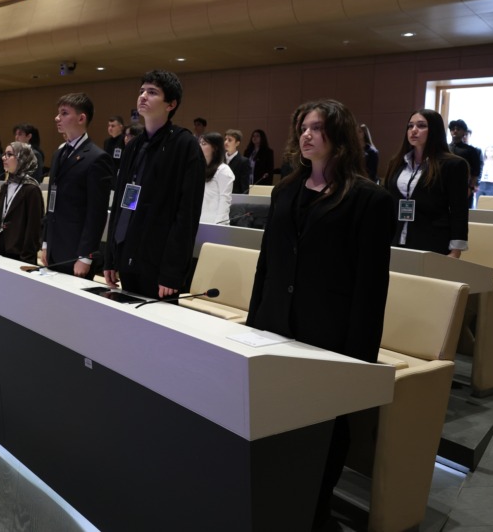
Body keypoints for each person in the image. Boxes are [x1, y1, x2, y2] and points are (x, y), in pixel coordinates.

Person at [246, 99, 395, 530]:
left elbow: (371, 287)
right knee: (278, 425)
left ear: (340, 136)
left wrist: (359, 361)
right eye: (302, 128)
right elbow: (267, 264)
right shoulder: (285, 190)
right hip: (276, 327)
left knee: (327, 430)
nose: (306, 135)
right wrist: (255, 324)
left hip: (329, 335)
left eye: (316, 128)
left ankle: (316, 515)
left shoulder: (370, 200)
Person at [104, 70, 205, 298]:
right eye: (141, 91)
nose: (143, 96)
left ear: (171, 104)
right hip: (127, 254)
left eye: (152, 92)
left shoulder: (185, 145)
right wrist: (111, 256)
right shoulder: (133, 146)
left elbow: (187, 215)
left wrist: (172, 272)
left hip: (158, 264)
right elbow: (121, 203)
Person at [41, 93, 114, 277]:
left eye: (64, 113)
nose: (57, 118)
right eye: (58, 113)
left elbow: (96, 213)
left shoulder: (97, 158)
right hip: (54, 246)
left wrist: (86, 256)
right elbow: (52, 203)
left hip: (76, 252)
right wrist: (46, 242)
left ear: (81, 118)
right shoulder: (58, 154)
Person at [385, 109, 469, 257]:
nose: (414, 130)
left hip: (432, 242)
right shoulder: (396, 163)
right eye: (410, 126)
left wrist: (456, 250)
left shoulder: (453, 165)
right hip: (395, 239)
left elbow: (459, 210)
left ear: (435, 130)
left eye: (421, 125)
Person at [0, 142, 44, 264]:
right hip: (0, 251)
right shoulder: (5, 186)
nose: (3, 157)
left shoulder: (32, 189)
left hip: (21, 257)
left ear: (22, 159)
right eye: (4, 154)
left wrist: (27, 259)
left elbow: (34, 229)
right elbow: (0, 220)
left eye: (9, 154)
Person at [198, 132, 235, 224]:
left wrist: (218, 226)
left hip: (214, 223)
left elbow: (225, 200)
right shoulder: (199, 168)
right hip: (199, 220)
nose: (199, 146)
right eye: (200, 143)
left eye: (204, 144)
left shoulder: (223, 170)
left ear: (215, 148)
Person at [448, 119, 482, 207]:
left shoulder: (471, 150)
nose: (455, 131)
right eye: (453, 129)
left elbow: (476, 172)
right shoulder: (445, 148)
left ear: (464, 132)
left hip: (464, 187)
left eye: (458, 129)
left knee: (463, 211)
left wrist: (470, 188)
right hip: (445, 186)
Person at [223, 129, 250, 194]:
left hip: (235, 196)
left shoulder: (243, 161)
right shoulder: (219, 159)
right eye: (225, 139)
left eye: (229, 140)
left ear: (237, 143)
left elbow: (244, 187)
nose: (226, 142)